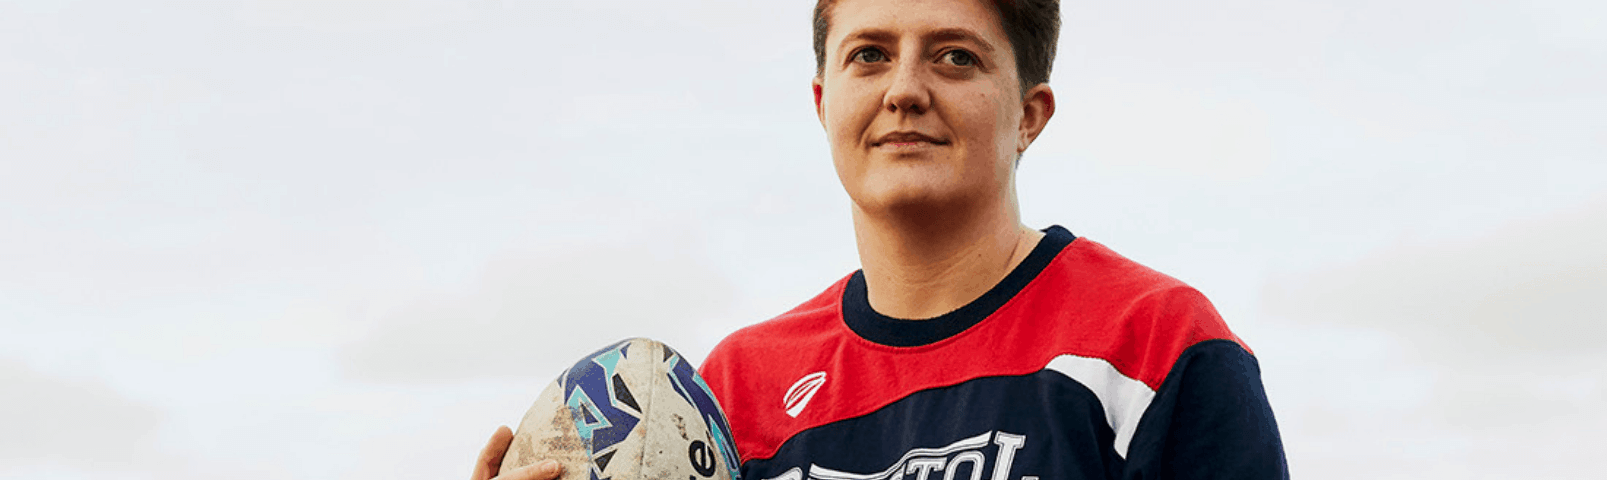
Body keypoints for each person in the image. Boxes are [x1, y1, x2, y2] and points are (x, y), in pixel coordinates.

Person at [472, 0, 1288, 478]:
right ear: (823, 101)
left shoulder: (1154, 345)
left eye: (955, 58)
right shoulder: (734, 391)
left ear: (1029, 115)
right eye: (869, 55)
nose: (904, 90)